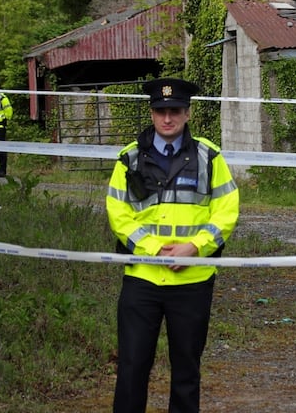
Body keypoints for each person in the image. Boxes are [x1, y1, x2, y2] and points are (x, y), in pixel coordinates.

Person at [106, 77, 240, 413]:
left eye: (175, 110)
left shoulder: (210, 156)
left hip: (192, 281)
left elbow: (227, 210)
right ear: (151, 113)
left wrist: (195, 247)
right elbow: (118, 211)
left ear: (188, 112)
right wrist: (151, 248)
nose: (168, 118)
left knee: (186, 372)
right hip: (142, 280)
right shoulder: (129, 158)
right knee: (132, 368)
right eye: (161, 110)